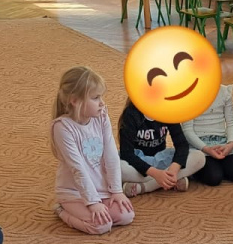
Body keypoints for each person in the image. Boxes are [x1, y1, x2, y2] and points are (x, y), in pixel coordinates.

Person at [51, 66, 135, 235]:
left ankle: (96, 204)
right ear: (75, 101)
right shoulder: (62, 127)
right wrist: (92, 202)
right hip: (73, 192)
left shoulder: (101, 115)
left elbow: (111, 155)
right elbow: (78, 168)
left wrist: (116, 191)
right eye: (96, 98)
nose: (102, 102)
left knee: (126, 215)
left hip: (100, 188)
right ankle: (61, 210)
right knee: (100, 226)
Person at [118, 98, 206, 196]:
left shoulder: (167, 111)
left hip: (161, 160)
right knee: (118, 167)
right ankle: (172, 180)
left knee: (199, 157)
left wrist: (173, 169)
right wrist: (156, 174)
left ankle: (145, 187)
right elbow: (127, 154)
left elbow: (182, 144)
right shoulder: (131, 113)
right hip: (138, 163)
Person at [182, 83, 233, 186]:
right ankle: (192, 170)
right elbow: (187, 131)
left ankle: (215, 165)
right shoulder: (188, 95)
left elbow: (231, 123)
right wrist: (206, 149)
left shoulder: (224, 92)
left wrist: (230, 144)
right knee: (214, 177)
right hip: (199, 145)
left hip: (222, 143)